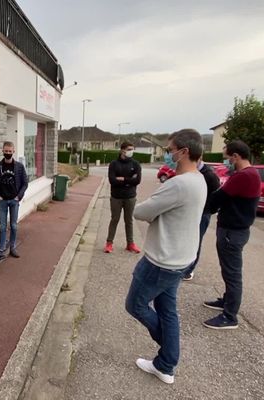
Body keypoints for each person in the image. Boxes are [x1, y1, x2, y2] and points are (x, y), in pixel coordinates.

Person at [125, 129, 206, 384]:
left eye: (170, 150)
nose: (168, 155)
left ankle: (170, 353)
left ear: (184, 152)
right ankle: (166, 365)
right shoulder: (198, 179)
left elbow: (141, 211)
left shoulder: (179, 184)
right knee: (167, 309)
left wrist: (154, 201)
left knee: (135, 304)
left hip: (162, 260)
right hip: (181, 259)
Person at [202, 140, 260, 330]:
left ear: (236, 156)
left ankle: (230, 316)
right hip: (235, 230)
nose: (226, 161)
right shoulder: (251, 173)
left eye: (227, 157)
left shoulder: (243, 176)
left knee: (232, 273)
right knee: (229, 270)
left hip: (232, 231)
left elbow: (219, 197)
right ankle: (227, 301)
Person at [182, 158, 220, 281]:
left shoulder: (209, 176)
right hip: (189, 212)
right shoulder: (189, 172)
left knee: (195, 242)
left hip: (202, 214)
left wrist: (208, 210)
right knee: (186, 239)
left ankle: (188, 270)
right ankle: (182, 266)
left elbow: (216, 197)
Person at [0, 141, 28, 262]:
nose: (7, 153)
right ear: (2, 151)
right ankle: (1, 252)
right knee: (2, 227)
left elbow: (25, 183)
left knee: (13, 226)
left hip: (14, 201)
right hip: (2, 201)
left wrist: (19, 196)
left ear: (13, 152)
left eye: (10, 151)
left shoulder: (19, 167)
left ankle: (12, 248)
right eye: (6, 151)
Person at [104, 142, 142, 254]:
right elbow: (112, 180)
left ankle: (130, 244)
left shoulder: (135, 164)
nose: (131, 151)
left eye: (132, 149)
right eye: (129, 149)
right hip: (116, 197)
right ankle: (109, 243)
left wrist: (123, 179)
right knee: (114, 219)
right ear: (122, 150)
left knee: (129, 220)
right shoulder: (114, 164)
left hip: (130, 197)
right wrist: (129, 180)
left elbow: (137, 180)